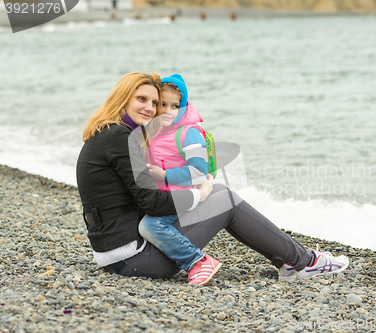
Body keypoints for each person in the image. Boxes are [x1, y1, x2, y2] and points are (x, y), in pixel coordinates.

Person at [76, 71, 349, 283]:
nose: (150, 108)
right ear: (123, 97)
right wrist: (199, 194)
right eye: (142, 99)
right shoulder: (120, 138)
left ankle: (291, 261)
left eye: (155, 103)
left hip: (115, 251)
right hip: (134, 259)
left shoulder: (107, 133)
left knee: (219, 191)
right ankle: (303, 262)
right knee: (224, 198)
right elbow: (150, 204)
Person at [137, 74, 222, 285]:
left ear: (183, 107)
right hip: (160, 196)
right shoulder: (155, 131)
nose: (168, 110)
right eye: (163, 104)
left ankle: (197, 261)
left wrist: (164, 175)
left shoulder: (189, 133)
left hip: (182, 195)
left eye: (175, 106)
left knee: (149, 226)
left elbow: (199, 173)